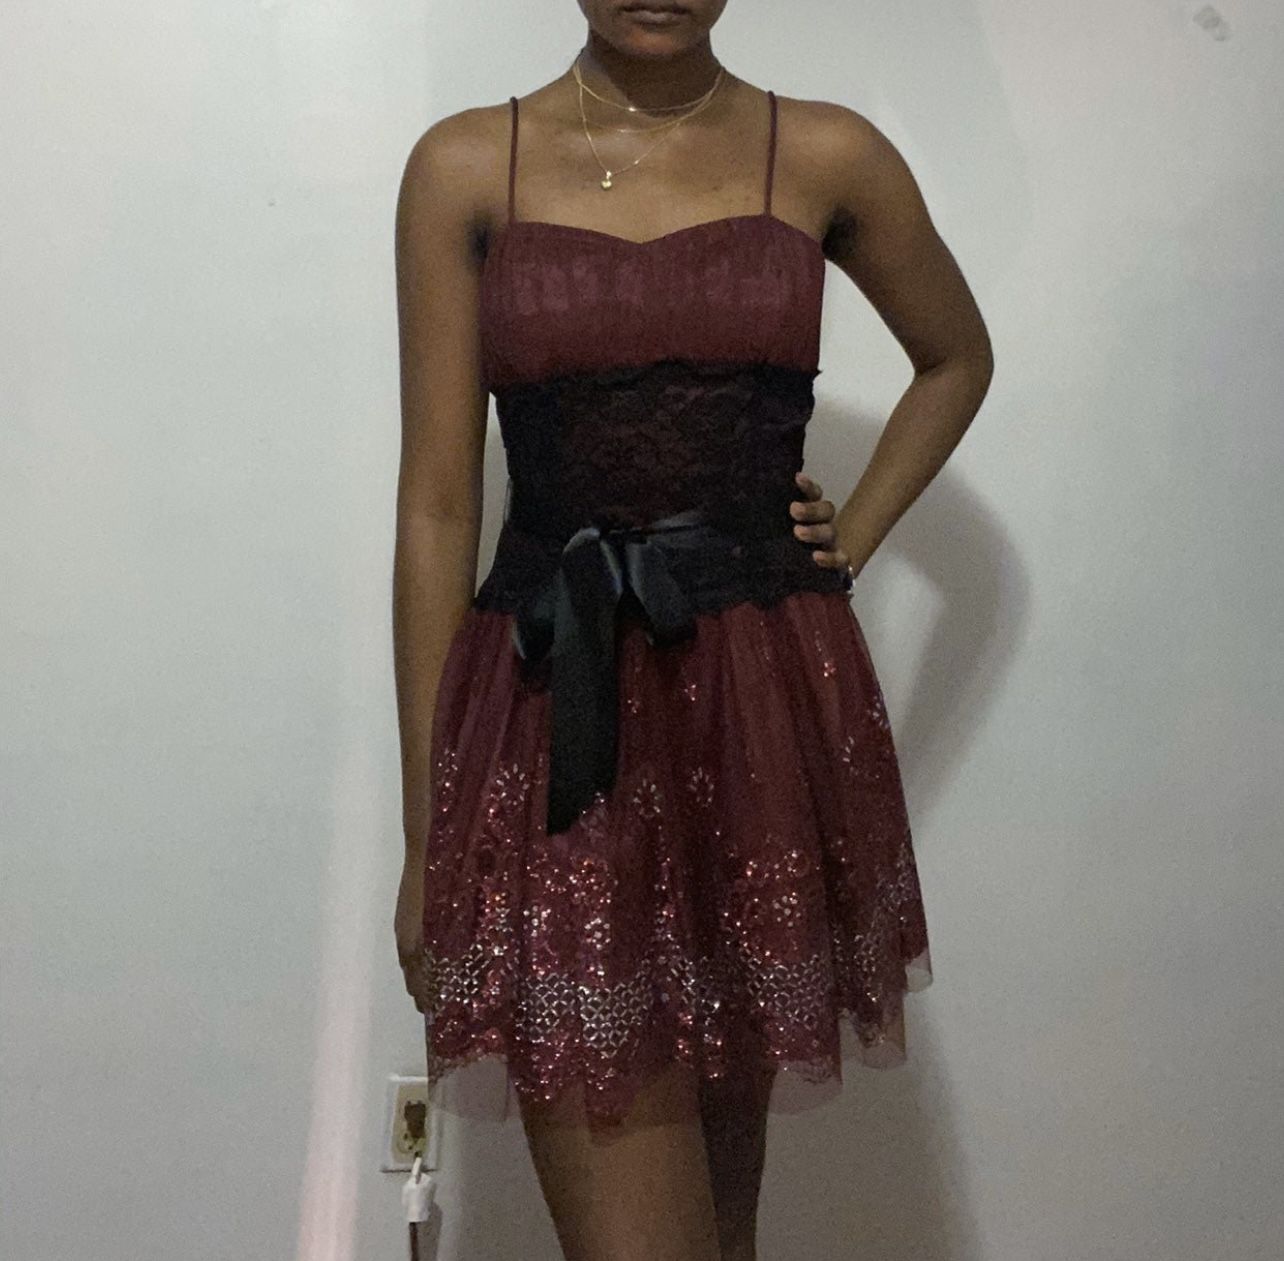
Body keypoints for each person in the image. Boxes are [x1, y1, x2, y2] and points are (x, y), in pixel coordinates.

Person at [392, 3, 993, 1257]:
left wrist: (849, 536)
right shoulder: (466, 166)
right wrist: (428, 832)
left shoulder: (826, 153)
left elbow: (955, 358)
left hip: (757, 715)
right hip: (558, 720)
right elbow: (439, 506)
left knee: (723, 1222)